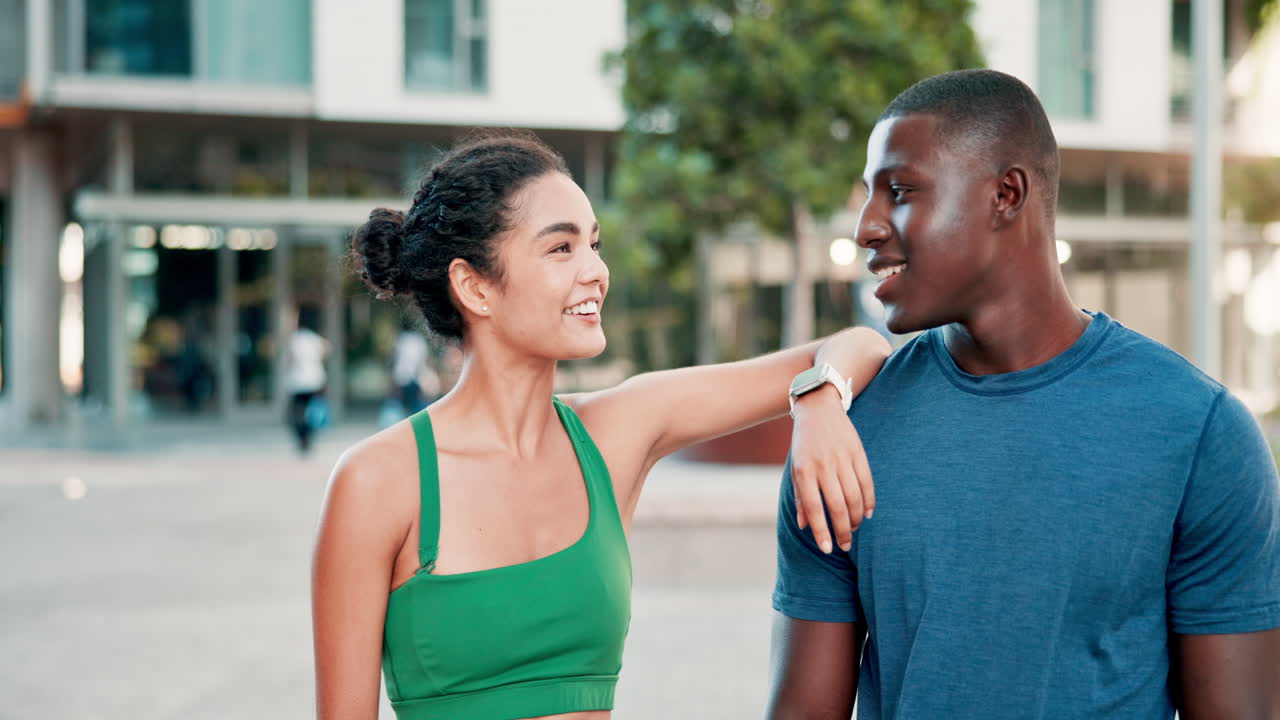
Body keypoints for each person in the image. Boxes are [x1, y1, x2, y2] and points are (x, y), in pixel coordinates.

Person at [311, 132, 893, 720]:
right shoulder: (378, 480)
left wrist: (819, 399)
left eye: (594, 244)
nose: (597, 271)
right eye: (561, 249)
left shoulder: (617, 431)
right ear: (475, 287)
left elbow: (860, 344)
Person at [767, 69, 1280, 719]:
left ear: (1006, 193)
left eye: (898, 191)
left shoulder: (1199, 432)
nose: (867, 226)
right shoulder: (842, 439)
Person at [285, 306, 330, 454]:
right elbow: (326, 351)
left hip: (298, 382)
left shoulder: (295, 339)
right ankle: (309, 439)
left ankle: (302, 440)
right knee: (312, 412)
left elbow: (290, 360)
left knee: (297, 413)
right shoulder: (316, 339)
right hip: (315, 380)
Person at [391, 319, 433, 415]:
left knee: (400, 404)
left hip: (401, 377)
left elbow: (394, 359)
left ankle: (403, 425)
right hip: (416, 376)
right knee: (416, 404)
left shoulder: (400, 339)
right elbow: (424, 358)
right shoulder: (419, 340)